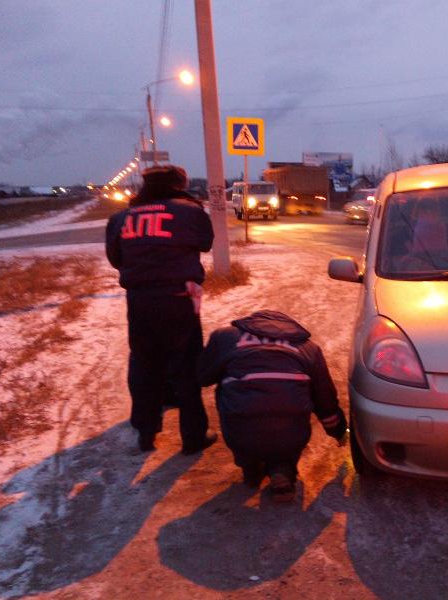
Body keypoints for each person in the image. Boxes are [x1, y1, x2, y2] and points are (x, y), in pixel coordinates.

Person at [105, 164, 217, 455]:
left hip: (140, 301)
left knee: (144, 365)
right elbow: (205, 243)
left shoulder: (120, 218)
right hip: (180, 298)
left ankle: (145, 433)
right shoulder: (190, 212)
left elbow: (116, 259)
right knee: (187, 368)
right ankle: (193, 438)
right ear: (178, 184)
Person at [198, 310, 347, 502]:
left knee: (227, 388)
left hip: (241, 429)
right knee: (288, 409)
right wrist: (339, 430)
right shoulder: (309, 348)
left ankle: (250, 468)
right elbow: (324, 398)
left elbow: (203, 377)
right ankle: (283, 470)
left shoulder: (224, 337)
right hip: (290, 432)